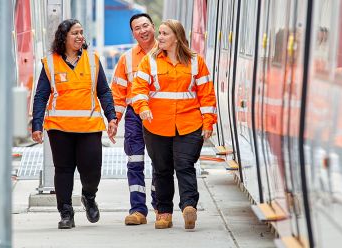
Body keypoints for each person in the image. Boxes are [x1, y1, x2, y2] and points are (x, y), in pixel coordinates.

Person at [129, 19, 217, 230]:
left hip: (189, 124)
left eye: (164, 33)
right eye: (159, 33)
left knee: (185, 165)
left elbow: (206, 95)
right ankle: (164, 213)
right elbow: (138, 89)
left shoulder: (196, 62)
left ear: (177, 37)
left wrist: (208, 123)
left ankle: (189, 207)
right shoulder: (149, 61)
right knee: (162, 169)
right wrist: (143, 107)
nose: (159, 37)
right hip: (156, 124)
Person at [31, 19, 118, 229]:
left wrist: (111, 117)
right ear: (64, 37)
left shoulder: (92, 60)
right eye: (75, 33)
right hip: (59, 128)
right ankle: (66, 213)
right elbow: (41, 95)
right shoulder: (50, 62)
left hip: (89, 126)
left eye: (81, 33)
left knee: (92, 170)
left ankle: (89, 196)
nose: (80, 37)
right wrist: (36, 125)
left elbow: (104, 91)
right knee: (63, 170)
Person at [111, 13, 159, 226]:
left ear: (153, 27)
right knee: (135, 162)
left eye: (145, 25)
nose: (143, 30)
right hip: (134, 116)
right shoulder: (127, 59)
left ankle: (160, 206)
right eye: (137, 28)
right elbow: (118, 93)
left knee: (161, 164)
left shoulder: (167, 52)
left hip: (160, 114)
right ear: (133, 33)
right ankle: (138, 210)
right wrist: (114, 119)